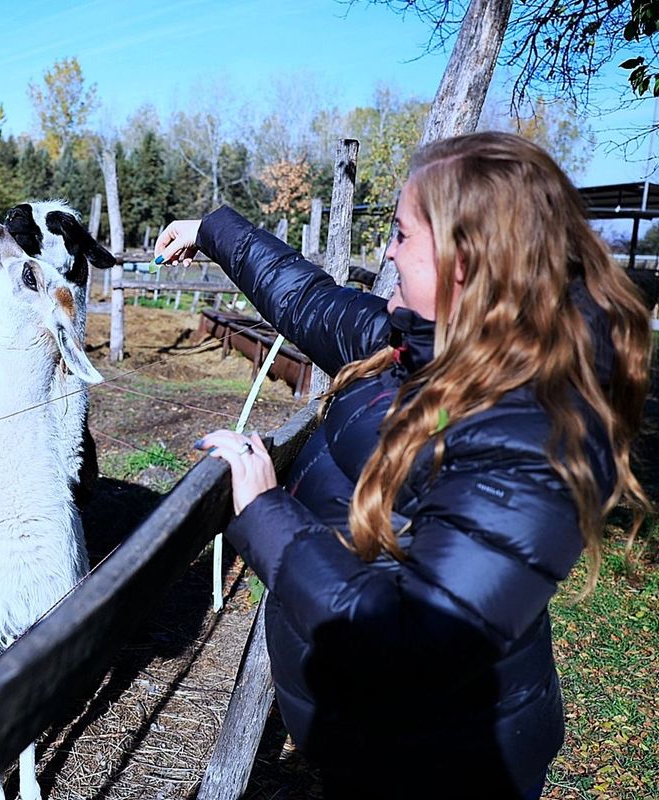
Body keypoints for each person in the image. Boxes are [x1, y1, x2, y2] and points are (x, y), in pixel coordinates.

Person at [154, 132, 652, 799]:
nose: (387, 250)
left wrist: (269, 515)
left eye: (402, 233)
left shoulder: (533, 435)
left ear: (466, 259)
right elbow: (307, 302)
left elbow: (411, 645)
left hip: (447, 761)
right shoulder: (422, 342)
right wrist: (212, 231)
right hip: (378, 737)